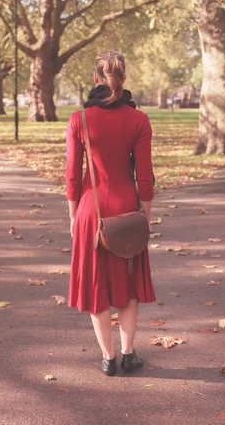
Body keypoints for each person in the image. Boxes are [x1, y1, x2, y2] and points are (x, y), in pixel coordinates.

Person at [66, 50, 156, 376]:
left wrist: (74, 216)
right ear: (124, 77)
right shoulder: (139, 120)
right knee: (128, 285)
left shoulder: (80, 119)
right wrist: (145, 214)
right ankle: (128, 354)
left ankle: (107, 358)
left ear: (95, 78)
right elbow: (145, 177)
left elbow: (73, 176)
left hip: (92, 211)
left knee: (97, 286)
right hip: (128, 207)